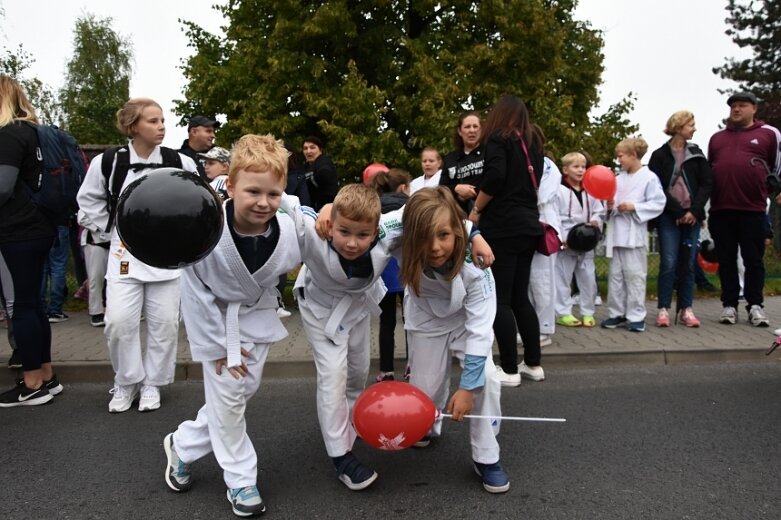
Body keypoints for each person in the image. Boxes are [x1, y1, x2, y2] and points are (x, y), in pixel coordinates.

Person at [281, 183, 492, 491]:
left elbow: (437, 214)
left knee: (356, 374)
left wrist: (474, 234)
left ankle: (356, 426)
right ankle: (340, 455)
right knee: (333, 377)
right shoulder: (318, 230)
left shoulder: (387, 228)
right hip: (320, 309)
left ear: (376, 226)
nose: (353, 243)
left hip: (356, 307)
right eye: (345, 232)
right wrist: (326, 208)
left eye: (362, 235)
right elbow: (287, 202)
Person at [164, 134, 300, 517]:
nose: (263, 202)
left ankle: (183, 444)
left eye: (273, 194)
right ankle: (241, 480)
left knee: (242, 392)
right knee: (229, 402)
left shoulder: (289, 226)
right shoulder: (205, 228)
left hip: (257, 317)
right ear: (231, 185)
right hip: (218, 324)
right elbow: (193, 289)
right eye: (253, 191)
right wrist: (216, 346)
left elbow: (310, 224)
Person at [77, 98, 198, 413]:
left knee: (165, 324)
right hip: (125, 254)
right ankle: (126, 380)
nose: (161, 127)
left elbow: (199, 199)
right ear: (132, 127)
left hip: (166, 257)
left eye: (162, 121)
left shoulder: (179, 161)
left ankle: (153, 383)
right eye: (152, 121)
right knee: (118, 321)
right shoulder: (108, 163)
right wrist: (111, 231)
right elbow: (87, 201)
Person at [400, 186, 508, 493]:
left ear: (457, 234)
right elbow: (373, 222)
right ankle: (427, 425)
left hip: (465, 320)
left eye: (444, 236)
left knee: (486, 378)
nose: (434, 248)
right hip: (425, 318)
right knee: (425, 389)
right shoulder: (401, 233)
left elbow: (480, 333)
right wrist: (327, 211)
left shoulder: (478, 267)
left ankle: (486, 457)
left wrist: (467, 388)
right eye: (424, 238)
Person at [469, 94, 544, 387]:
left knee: (499, 299)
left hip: (503, 225)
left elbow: (495, 177)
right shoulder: (532, 142)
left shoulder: (498, 139)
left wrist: (476, 210)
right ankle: (533, 364)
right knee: (520, 297)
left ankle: (510, 369)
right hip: (529, 224)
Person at [0, 74, 61, 407]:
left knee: (21, 306)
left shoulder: (9, 135)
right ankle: (47, 376)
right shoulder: (36, 132)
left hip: (15, 231)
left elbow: (2, 187)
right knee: (33, 304)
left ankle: (32, 382)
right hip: (41, 227)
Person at [708, 92, 781, 327]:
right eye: (733, 106)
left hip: (753, 208)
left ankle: (755, 306)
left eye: (742, 105)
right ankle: (729, 305)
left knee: (753, 260)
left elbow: (777, 167)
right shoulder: (717, 138)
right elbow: (711, 169)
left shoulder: (769, 134)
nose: (736, 110)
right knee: (727, 260)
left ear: (754, 108)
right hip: (721, 209)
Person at [648, 111, 712, 327]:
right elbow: (656, 188)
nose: (694, 128)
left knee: (689, 263)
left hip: (692, 216)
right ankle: (663, 308)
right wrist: (677, 212)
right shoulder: (659, 156)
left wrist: (693, 211)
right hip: (669, 217)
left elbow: (706, 184)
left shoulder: (697, 153)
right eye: (690, 124)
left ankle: (686, 309)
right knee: (668, 262)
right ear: (678, 126)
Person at [600, 138, 666, 333]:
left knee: (635, 276)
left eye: (621, 156)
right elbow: (607, 204)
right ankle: (616, 313)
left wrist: (634, 206)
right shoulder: (617, 179)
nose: (618, 160)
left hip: (634, 234)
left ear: (633, 155)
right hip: (617, 232)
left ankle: (636, 315)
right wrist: (610, 207)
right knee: (616, 277)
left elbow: (658, 203)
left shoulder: (649, 177)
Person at [554, 152, 605, 328]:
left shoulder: (591, 189)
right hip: (567, 240)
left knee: (588, 277)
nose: (580, 170)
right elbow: (554, 216)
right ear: (565, 170)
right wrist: (560, 237)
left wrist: (596, 223)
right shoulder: (558, 190)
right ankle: (563, 312)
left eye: (583, 167)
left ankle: (588, 312)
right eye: (576, 167)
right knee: (562, 277)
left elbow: (600, 211)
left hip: (587, 239)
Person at [369, 168, 411, 382]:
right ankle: (412, 366)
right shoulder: (410, 206)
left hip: (383, 270)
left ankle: (386, 370)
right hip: (406, 269)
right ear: (403, 187)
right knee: (411, 320)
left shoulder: (374, 206)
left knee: (386, 322)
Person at [438, 111, 484, 213]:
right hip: (458, 217)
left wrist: (471, 192)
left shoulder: (490, 152)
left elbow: (495, 180)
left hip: (487, 214)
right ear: (459, 131)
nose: (472, 130)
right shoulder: (450, 159)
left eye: (475, 126)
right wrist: (456, 188)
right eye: (467, 127)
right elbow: (441, 189)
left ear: (481, 130)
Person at [77, 207, 110, 327]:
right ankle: (96, 312)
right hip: (95, 243)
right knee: (95, 278)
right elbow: (82, 218)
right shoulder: (89, 199)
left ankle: (113, 309)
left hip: (113, 244)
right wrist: (99, 228)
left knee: (116, 279)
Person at [302, 136, 338, 211]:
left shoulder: (323, 161)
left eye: (312, 148)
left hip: (326, 208)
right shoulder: (305, 167)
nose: (308, 151)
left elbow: (324, 174)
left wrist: (310, 184)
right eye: (305, 148)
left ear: (320, 150)